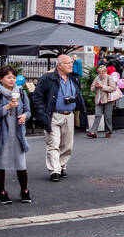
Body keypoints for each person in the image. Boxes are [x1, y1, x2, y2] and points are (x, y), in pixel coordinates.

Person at [35, 53, 88, 181]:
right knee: (53, 143)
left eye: (71, 63)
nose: (71, 65)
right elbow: (37, 96)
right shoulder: (47, 78)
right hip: (53, 115)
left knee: (67, 145)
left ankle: (62, 166)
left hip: (69, 115)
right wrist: (42, 113)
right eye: (68, 63)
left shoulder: (74, 78)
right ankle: (54, 170)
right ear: (59, 65)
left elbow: (78, 95)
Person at [0, 66, 31, 204]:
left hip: (17, 134)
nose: (12, 80)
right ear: (1, 79)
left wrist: (24, 116)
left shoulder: (21, 93)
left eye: (13, 77)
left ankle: (24, 190)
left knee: (21, 164)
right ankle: (2, 191)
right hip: (1, 135)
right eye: (8, 77)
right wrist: (7, 107)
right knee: (0, 163)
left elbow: (28, 111)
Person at [90, 64, 120, 138]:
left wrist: (102, 87)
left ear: (105, 72)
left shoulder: (109, 78)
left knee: (108, 117)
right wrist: (95, 87)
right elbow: (92, 88)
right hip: (98, 99)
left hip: (107, 100)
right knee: (97, 115)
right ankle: (93, 132)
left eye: (102, 73)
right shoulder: (97, 78)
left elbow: (113, 88)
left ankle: (108, 131)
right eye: (99, 72)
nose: (100, 74)